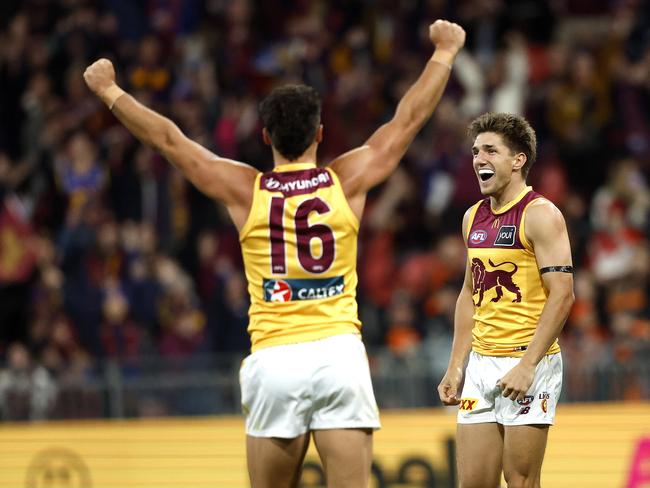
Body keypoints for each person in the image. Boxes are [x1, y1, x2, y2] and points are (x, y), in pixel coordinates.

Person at [84, 20, 465, 488]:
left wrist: (110, 91)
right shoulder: (346, 180)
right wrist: (444, 53)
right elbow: (406, 121)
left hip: (276, 357)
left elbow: (169, 141)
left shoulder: (247, 190)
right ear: (320, 133)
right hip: (338, 354)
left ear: (265, 137)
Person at [437, 112, 575, 488]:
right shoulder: (472, 217)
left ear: (518, 161)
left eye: (490, 151)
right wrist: (456, 365)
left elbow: (562, 296)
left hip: (529, 363)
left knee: (521, 481)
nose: (478, 159)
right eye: (475, 151)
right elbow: (470, 292)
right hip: (481, 366)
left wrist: (528, 365)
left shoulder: (541, 215)